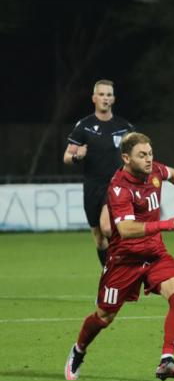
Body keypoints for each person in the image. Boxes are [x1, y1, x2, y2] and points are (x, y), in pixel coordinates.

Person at [64, 132, 174, 381]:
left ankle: (166, 360)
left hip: (155, 255)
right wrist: (164, 224)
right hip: (124, 261)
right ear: (126, 158)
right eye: (142, 155)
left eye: (150, 154)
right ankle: (79, 349)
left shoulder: (153, 171)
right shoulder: (119, 188)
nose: (148, 160)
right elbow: (125, 230)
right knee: (104, 316)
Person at [63, 80, 135, 266]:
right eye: (102, 94)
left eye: (109, 95)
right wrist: (78, 157)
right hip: (92, 186)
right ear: (94, 98)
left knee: (107, 227)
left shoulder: (124, 127)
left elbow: (137, 153)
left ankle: (126, 264)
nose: (105, 98)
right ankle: (109, 274)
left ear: (114, 99)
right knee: (99, 238)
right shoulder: (84, 126)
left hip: (117, 185)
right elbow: (67, 157)